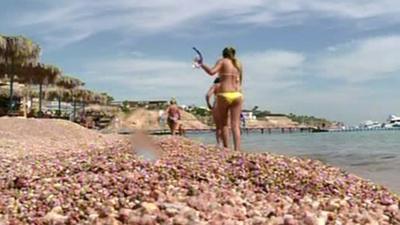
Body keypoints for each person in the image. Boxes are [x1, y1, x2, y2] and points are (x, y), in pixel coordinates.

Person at [197, 47, 243, 151]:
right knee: (235, 125)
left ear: (223, 54)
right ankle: (238, 150)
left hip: (224, 94)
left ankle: (227, 149)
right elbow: (239, 82)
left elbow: (212, 72)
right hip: (237, 95)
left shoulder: (222, 61)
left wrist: (201, 64)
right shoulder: (237, 64)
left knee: (224, 124)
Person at [205, 77, 223, 145]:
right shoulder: (226, 86)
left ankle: (219, 143)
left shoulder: (215, 86)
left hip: (217, 105)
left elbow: (207, 95)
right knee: (226, 126)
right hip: (226, 105)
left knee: (218, 127)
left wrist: (208, 104)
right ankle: (226, 144)